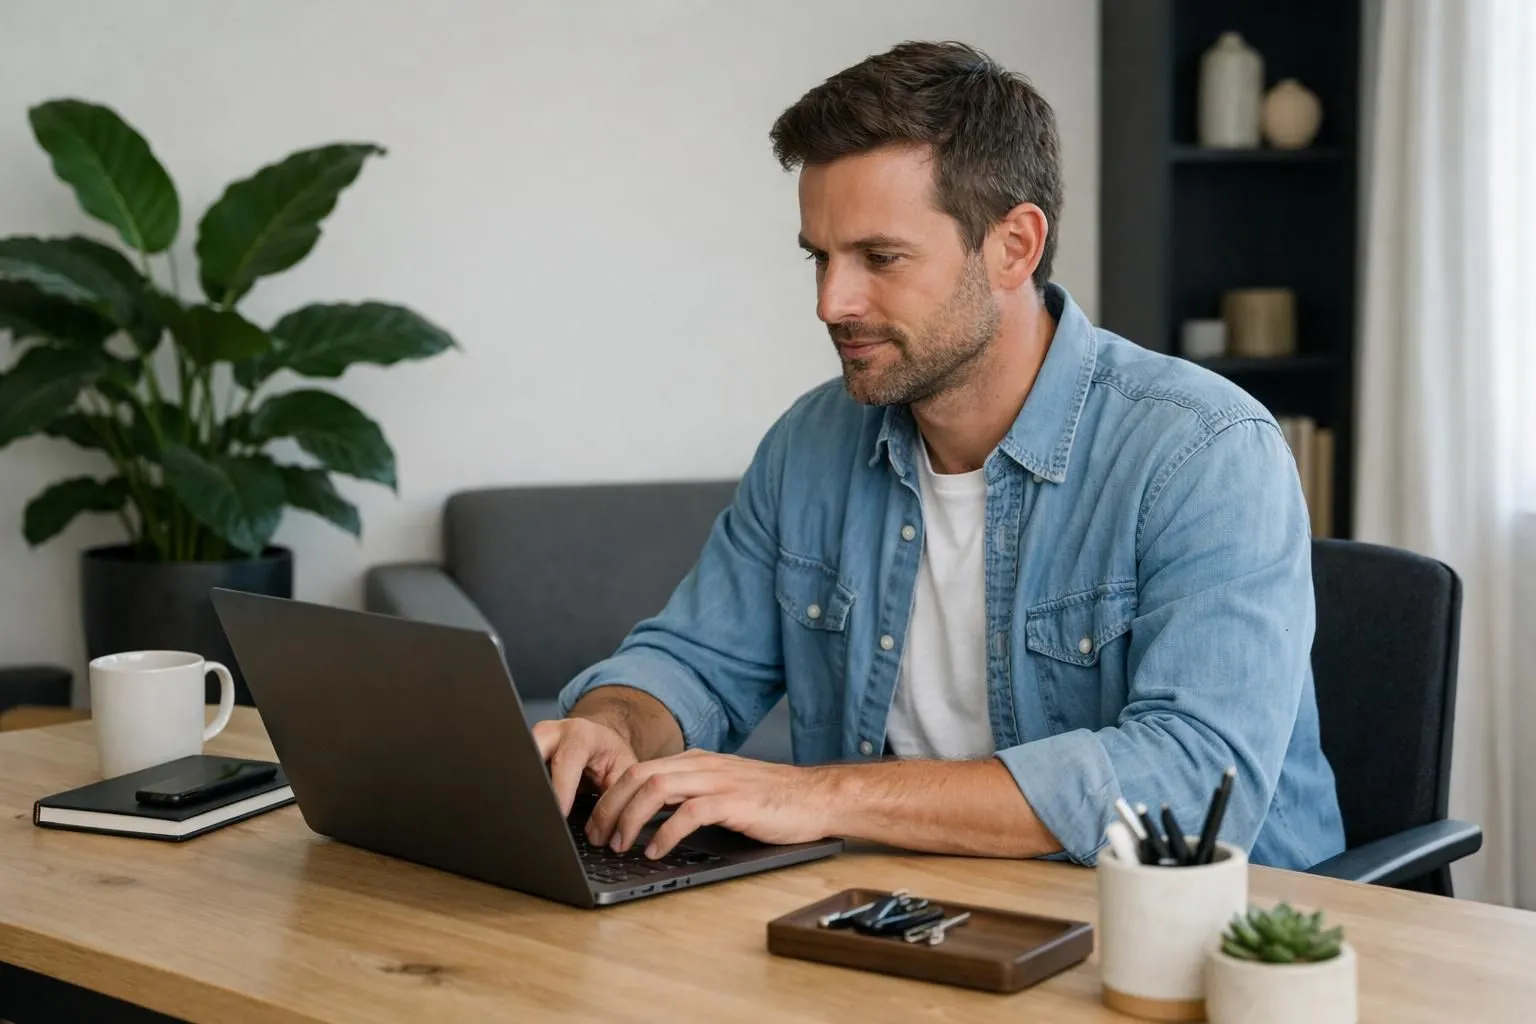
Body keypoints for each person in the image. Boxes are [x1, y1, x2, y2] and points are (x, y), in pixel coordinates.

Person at [534, 40, 1345, 870]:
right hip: (899, 916)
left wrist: (815, 795)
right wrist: (609, 726)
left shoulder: (1203, 450)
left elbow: (1191, 780)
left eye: (879, 258)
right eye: (820, 256)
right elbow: (693, 663)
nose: (830, 302)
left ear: (1014, 247)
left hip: (1200, 941)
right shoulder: (811, 444)